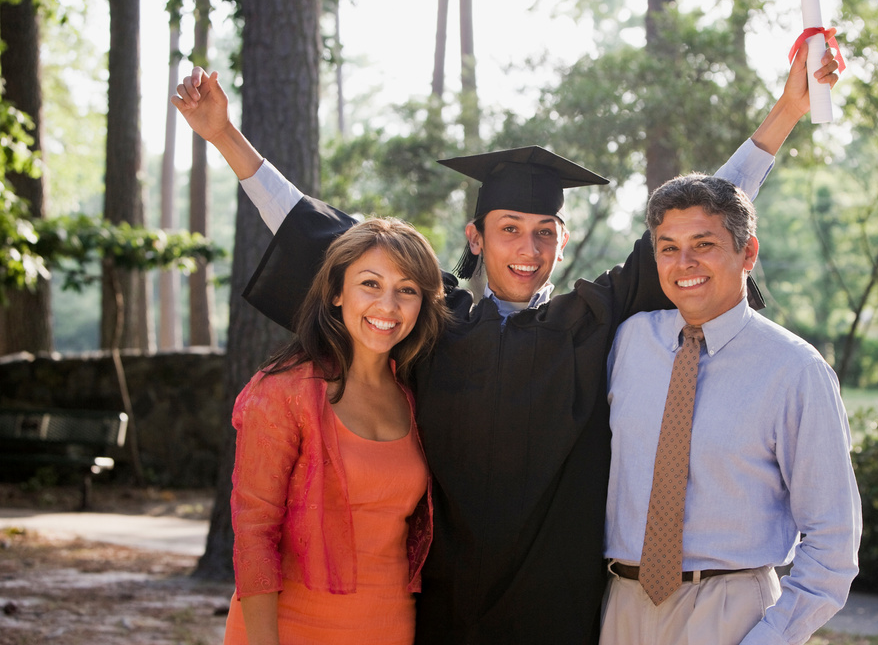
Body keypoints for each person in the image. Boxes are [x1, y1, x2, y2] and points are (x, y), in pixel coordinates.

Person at [172, 36, 839, 645]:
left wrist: (784, 115)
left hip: (560, 615)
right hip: (440, 611)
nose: (528, 248)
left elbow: (697, 223)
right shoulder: (432, 322)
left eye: (544, 231)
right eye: (509, 229)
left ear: (563, 240)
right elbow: (321, 234)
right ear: (475, 238)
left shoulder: (590, 323)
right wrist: (226, 136)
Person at [601, 174, 861, 645]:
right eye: (668, 248)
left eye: (704, 244)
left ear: (748, 252)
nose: (685, 264)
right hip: (621, 606)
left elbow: (833, 541)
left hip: (731, 612)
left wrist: (773, 637)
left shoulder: (796, 370)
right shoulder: (628, 342)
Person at [222, 217, 450, 645]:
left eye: (407, 290)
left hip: (389, 625)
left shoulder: (417, 395)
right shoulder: (284, 390)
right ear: (335, 292)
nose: (388, 306)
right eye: (370, 283)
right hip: (290, 626)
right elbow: (254, 533)